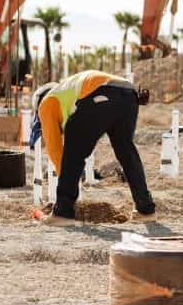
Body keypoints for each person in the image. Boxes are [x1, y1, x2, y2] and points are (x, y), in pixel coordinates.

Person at [31, 69, 156, 225]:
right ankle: (146, 209)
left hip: (102, 92)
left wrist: (67, 184)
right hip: (128, 94)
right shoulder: (67, 92)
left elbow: (56, 150)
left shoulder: (46, 104)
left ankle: (62, 213)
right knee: (127, 154)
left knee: (73, 150)